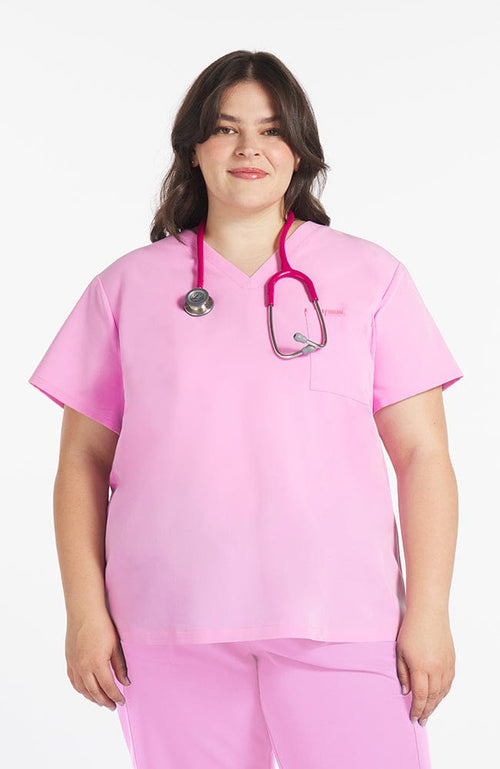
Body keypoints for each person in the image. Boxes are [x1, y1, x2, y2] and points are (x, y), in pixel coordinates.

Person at [28, 49, 464, 769]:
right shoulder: (125, 288)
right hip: (169, 625)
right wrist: (84, 611)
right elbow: (82, 459)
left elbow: (423, 455)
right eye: (226, 129)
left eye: (270, 130)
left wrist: (430, 613)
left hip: (343, 619)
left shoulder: (371, 276)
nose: (248, 149)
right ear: (194, 148)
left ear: (300, 151)